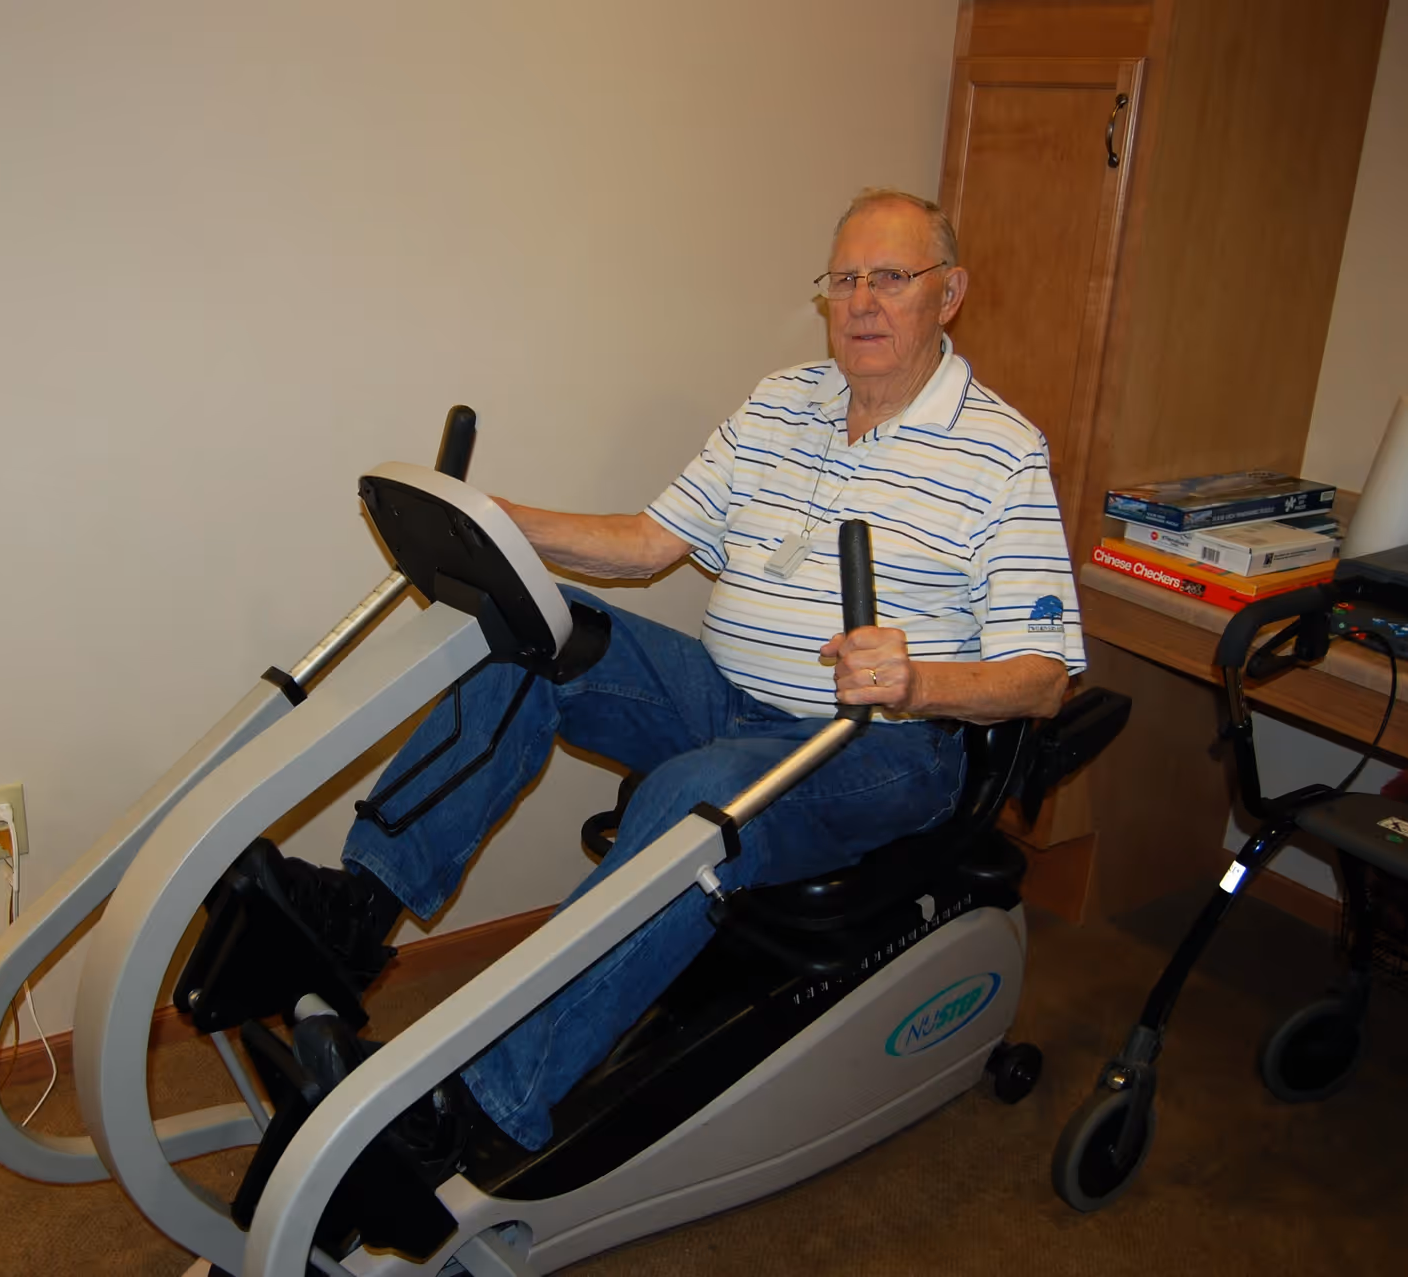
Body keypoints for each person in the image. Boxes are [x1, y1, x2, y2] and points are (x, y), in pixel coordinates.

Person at [265, 188, 1085, 1155]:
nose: (861, 301)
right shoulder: (784, 400)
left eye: (891, 278)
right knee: (539, 631)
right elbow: (651, 542)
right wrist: (501, 519)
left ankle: (482, 1102)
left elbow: (1044, 677)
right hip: (724, 697)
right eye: (844, 279)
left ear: (949, 294)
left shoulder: (1002, 452)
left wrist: (918, 682)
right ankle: (356, 912)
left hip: (882, 746)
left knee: (699, 799)